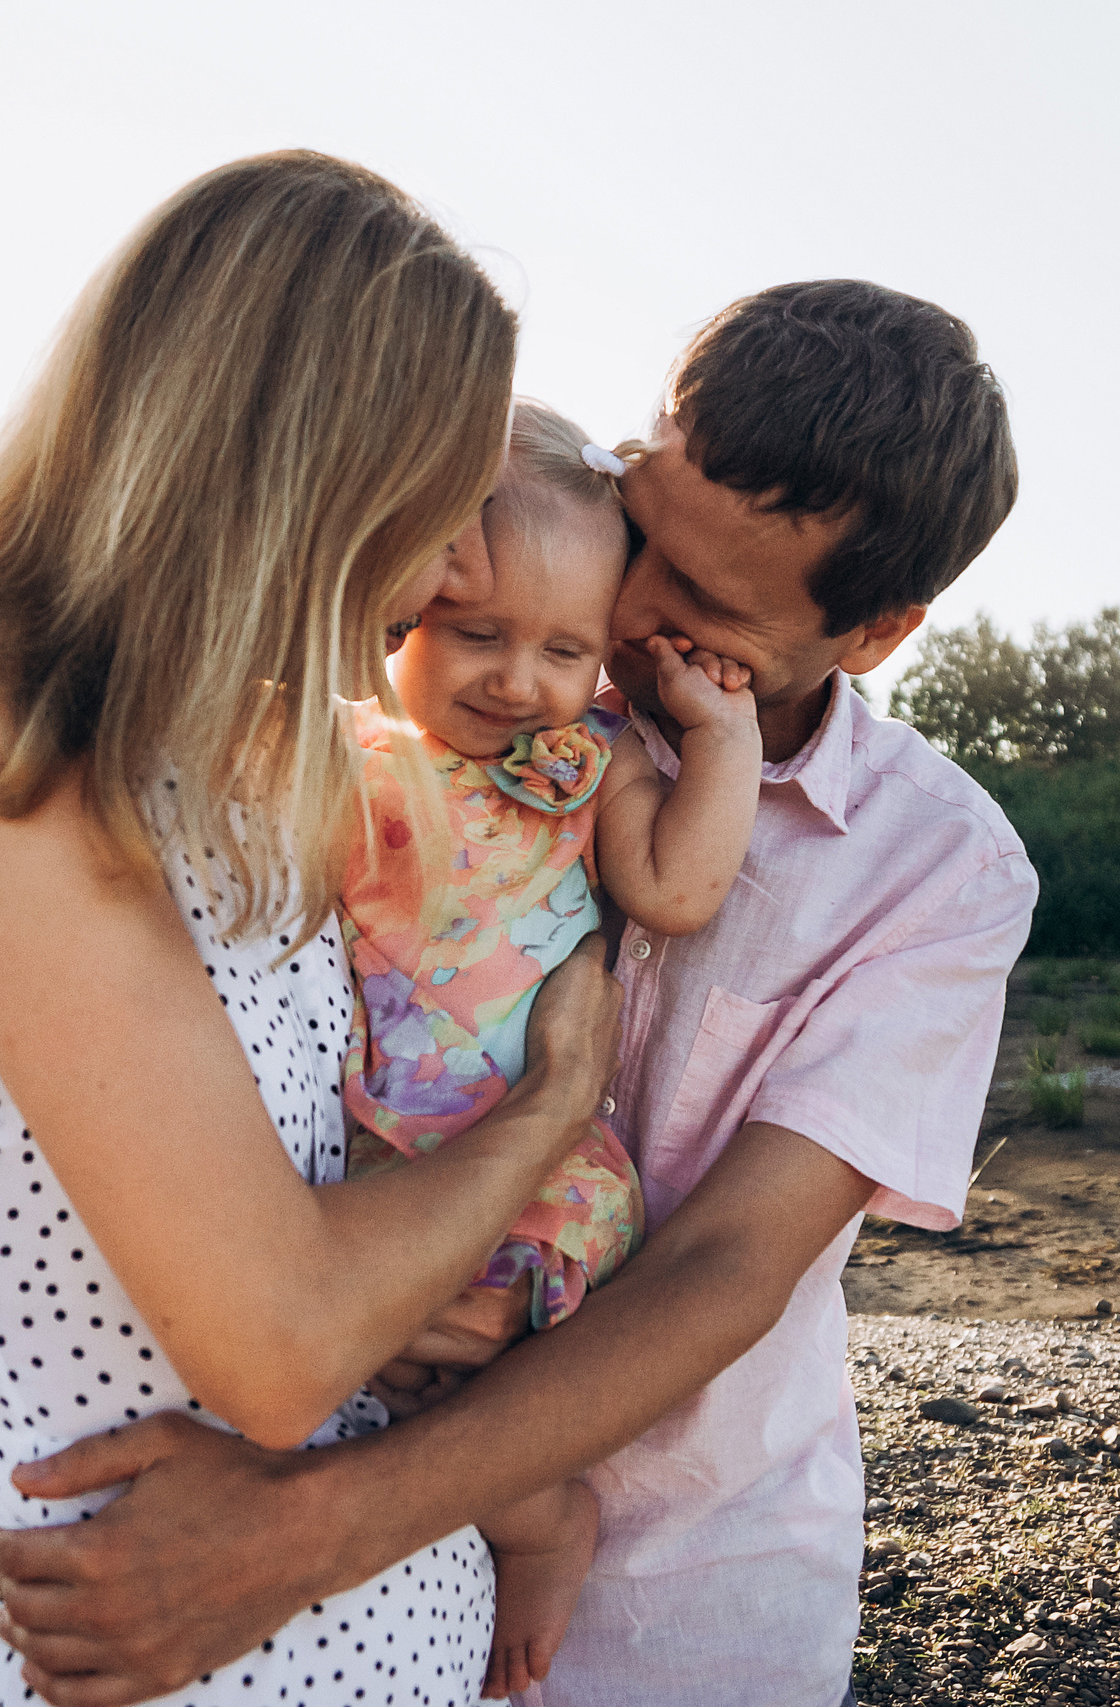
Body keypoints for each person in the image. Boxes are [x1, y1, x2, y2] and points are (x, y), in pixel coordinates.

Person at [0, 278, 1034, 1707]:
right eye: (640, 530)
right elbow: (166, 1009)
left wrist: (302, 1537)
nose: (629, 611)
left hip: (666, 1601)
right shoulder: (449, 635)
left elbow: (730, 1270)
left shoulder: (936, 871)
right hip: (316, 1491)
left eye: (705, 606)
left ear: (878, 632)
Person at [0, 150, 629, 1707]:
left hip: (354, 1634)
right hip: (187, 1665)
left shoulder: (231, 759)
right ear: (316, 466)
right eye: (448, 501)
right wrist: (548, 1111)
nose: (460, 563)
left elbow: (139, 1174)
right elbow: (282, 1342)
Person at [345, 396, 761, 1696]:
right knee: (370, 1386)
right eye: (479, 634)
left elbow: (681, 893)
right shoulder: (344, 754)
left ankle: (544, 1521)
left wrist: (719, 738)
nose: (519, 679)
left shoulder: (593, 766)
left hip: (534, 1166)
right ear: (406, 605)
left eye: (564, 649)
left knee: (461, 1403)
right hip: (374, 1151)